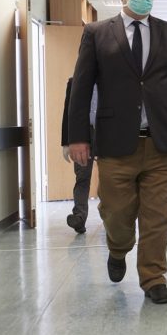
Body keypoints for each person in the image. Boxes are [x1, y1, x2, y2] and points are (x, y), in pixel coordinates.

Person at [67, 0, 167, 305]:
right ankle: (118, 248)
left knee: (159, 218)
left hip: (162, 143)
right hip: (116, 145)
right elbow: (80, 88)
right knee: (116, 213)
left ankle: (153, 278)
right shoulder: (97, 33)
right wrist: (77, 137)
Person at [61, 77, 97, 234]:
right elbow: (68, 112)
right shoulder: (74, 82)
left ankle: (111, 216)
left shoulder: (110, 77)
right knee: (82, 177)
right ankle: (79, 217)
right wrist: (66, 143)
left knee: (110, 177)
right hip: (83, 135)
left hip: (107, 133)